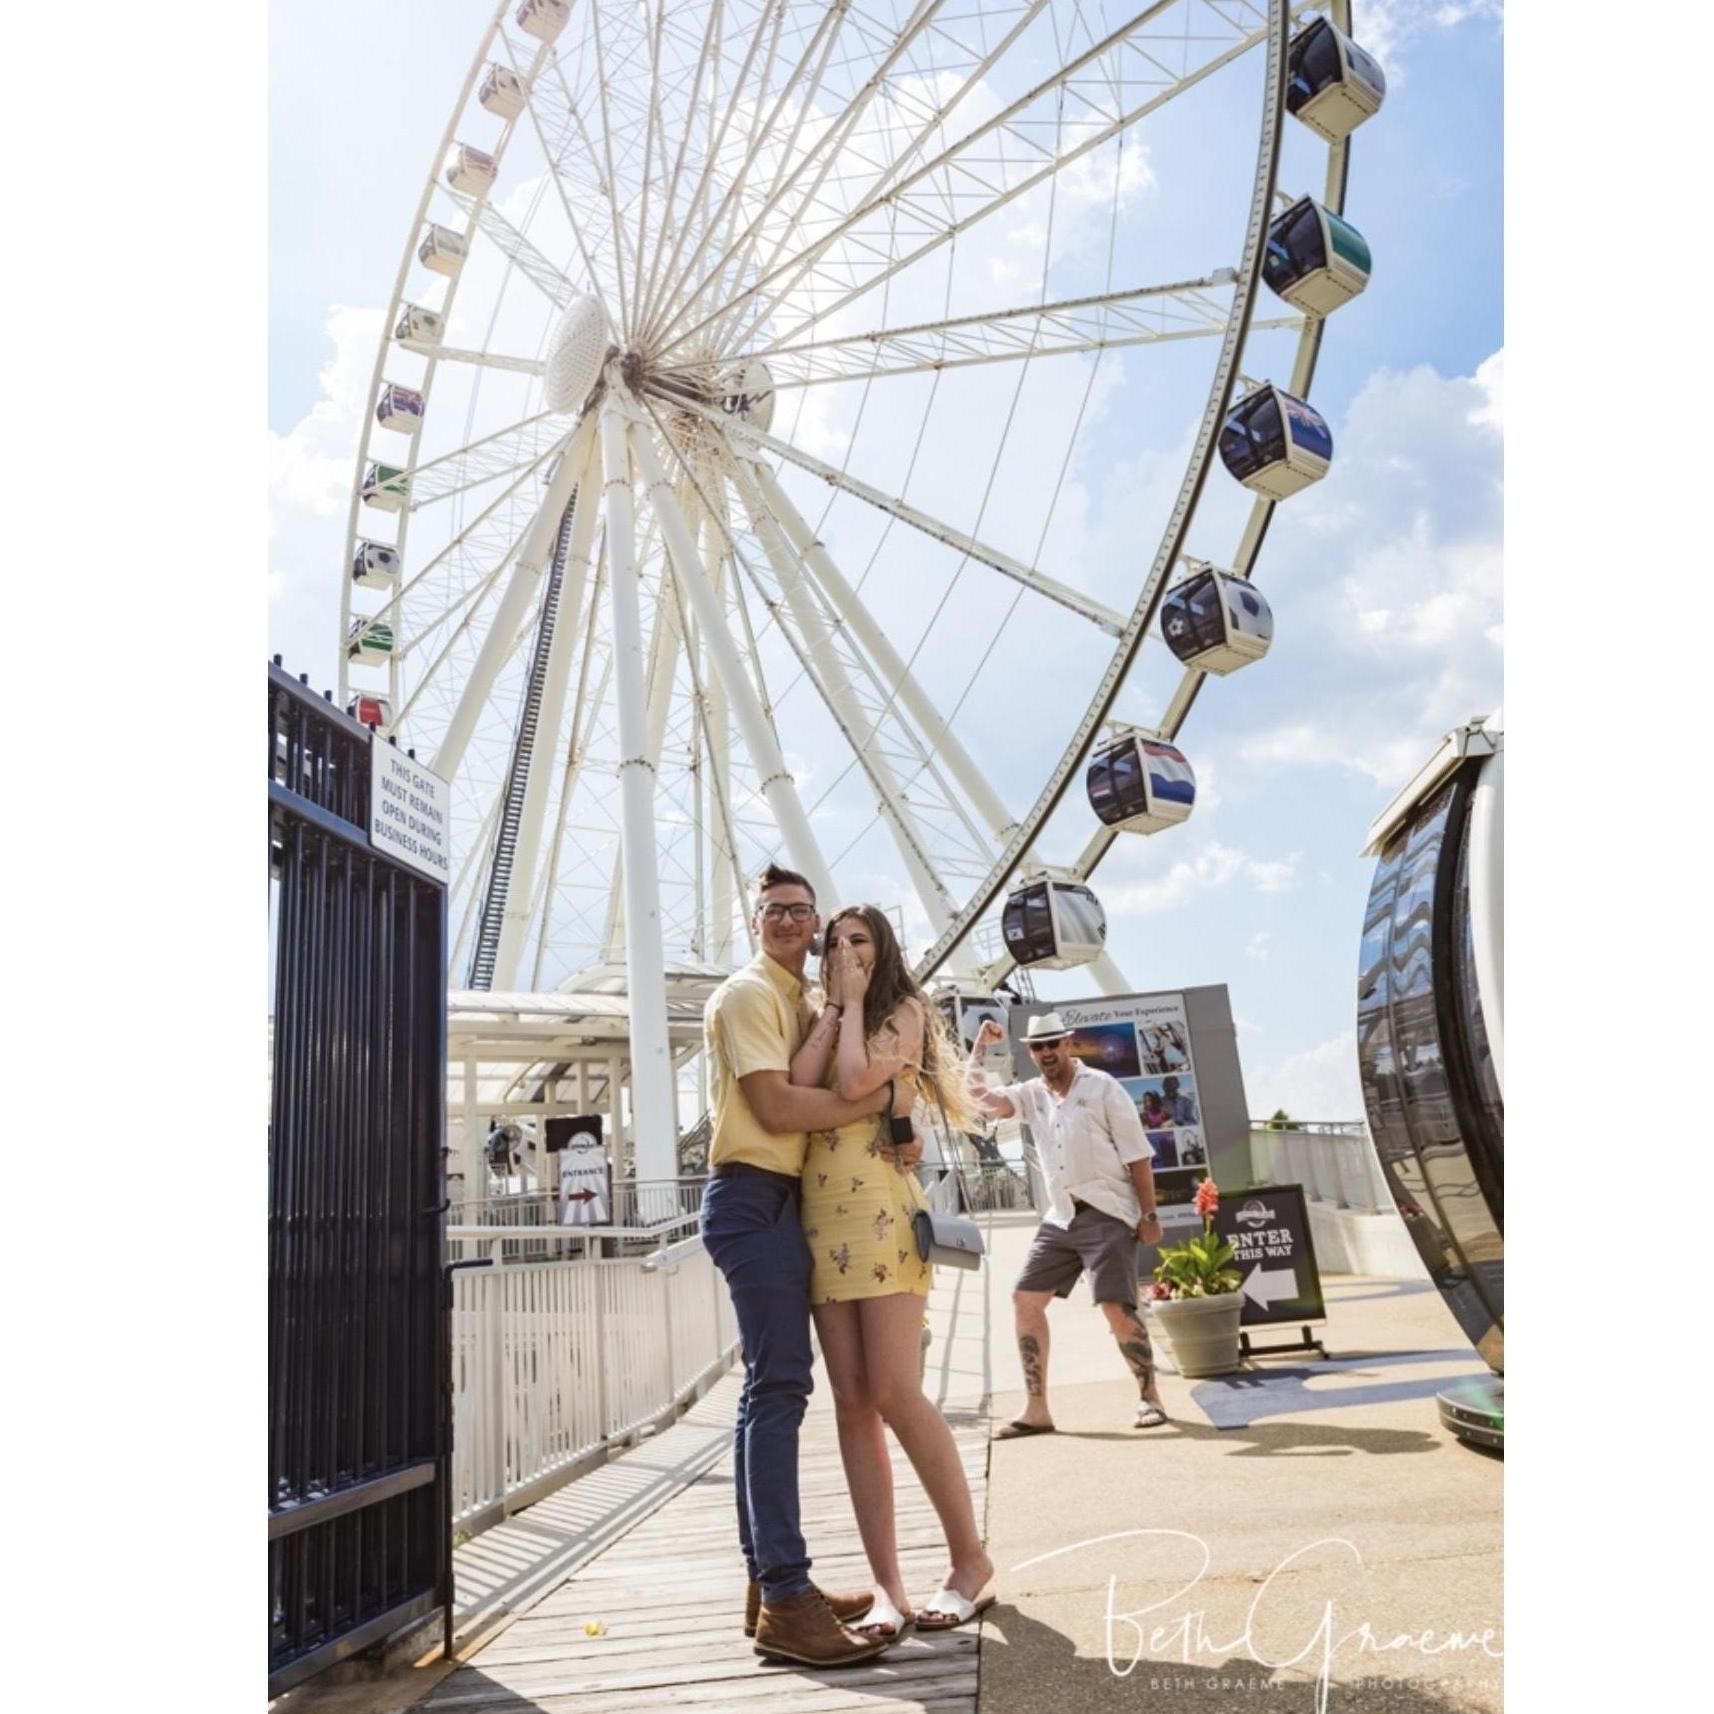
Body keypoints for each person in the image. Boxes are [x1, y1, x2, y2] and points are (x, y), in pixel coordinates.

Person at [700, 865, 905, 1668]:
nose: (788, 922)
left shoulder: (797, 1003)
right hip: (752, 1199)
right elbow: (780, 1109)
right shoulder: (751, 996)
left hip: (779, 1201)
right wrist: (883, 1101)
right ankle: (787, 1596)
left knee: (772, 1390)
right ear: (756, 921)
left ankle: (772, 1586)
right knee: (778, 1388)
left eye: (800, 912)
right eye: (774, 911)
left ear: (815, 926)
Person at [790, 906, 996, 1637]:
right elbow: (796, 1083)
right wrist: (833, 1012)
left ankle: (969, 1560)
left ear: (884, 951)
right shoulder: (827, 1013)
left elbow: (846, 1084)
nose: (843, 951)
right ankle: (887, 1587)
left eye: (859, 941)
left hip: (879, 1210)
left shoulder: (902, 1012)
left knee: (896, 1392)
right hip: (820, 1217)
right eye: (834, 942)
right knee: (850, 1403)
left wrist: (847, 1009)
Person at [970, 1012, 1170, 1434]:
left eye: (1052, 1044)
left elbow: (1138, 1155)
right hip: (1060, 1217)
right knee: (1025, 1299)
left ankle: (1149, 1396)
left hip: (1107, 1211)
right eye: (1038, 1047)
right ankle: (1037, 1410)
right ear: (1030, 1052)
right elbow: (979, 1099)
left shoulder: (1102, 1088)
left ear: (1068, 1044)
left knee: (1116, 1306)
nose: (1046, 1053)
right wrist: (980, 1046)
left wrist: (1149, 1214)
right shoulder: (1030, 1095)